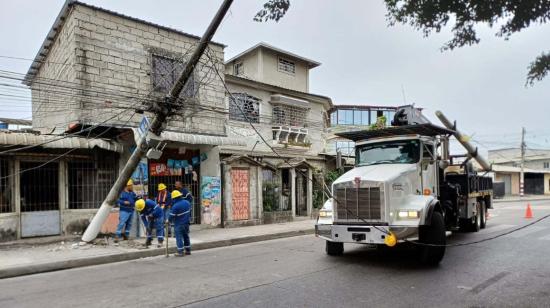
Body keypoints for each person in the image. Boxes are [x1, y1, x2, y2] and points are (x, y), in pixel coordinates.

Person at [168, 190, 191, 257]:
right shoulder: (187, 202)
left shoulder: (175, 206)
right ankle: (188, 250)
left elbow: (171, 216)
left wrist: (168, 221)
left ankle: (180, 251)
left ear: (174, 198)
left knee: (179, 237)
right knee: (186, 236)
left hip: (179, 224)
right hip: (186, 223)